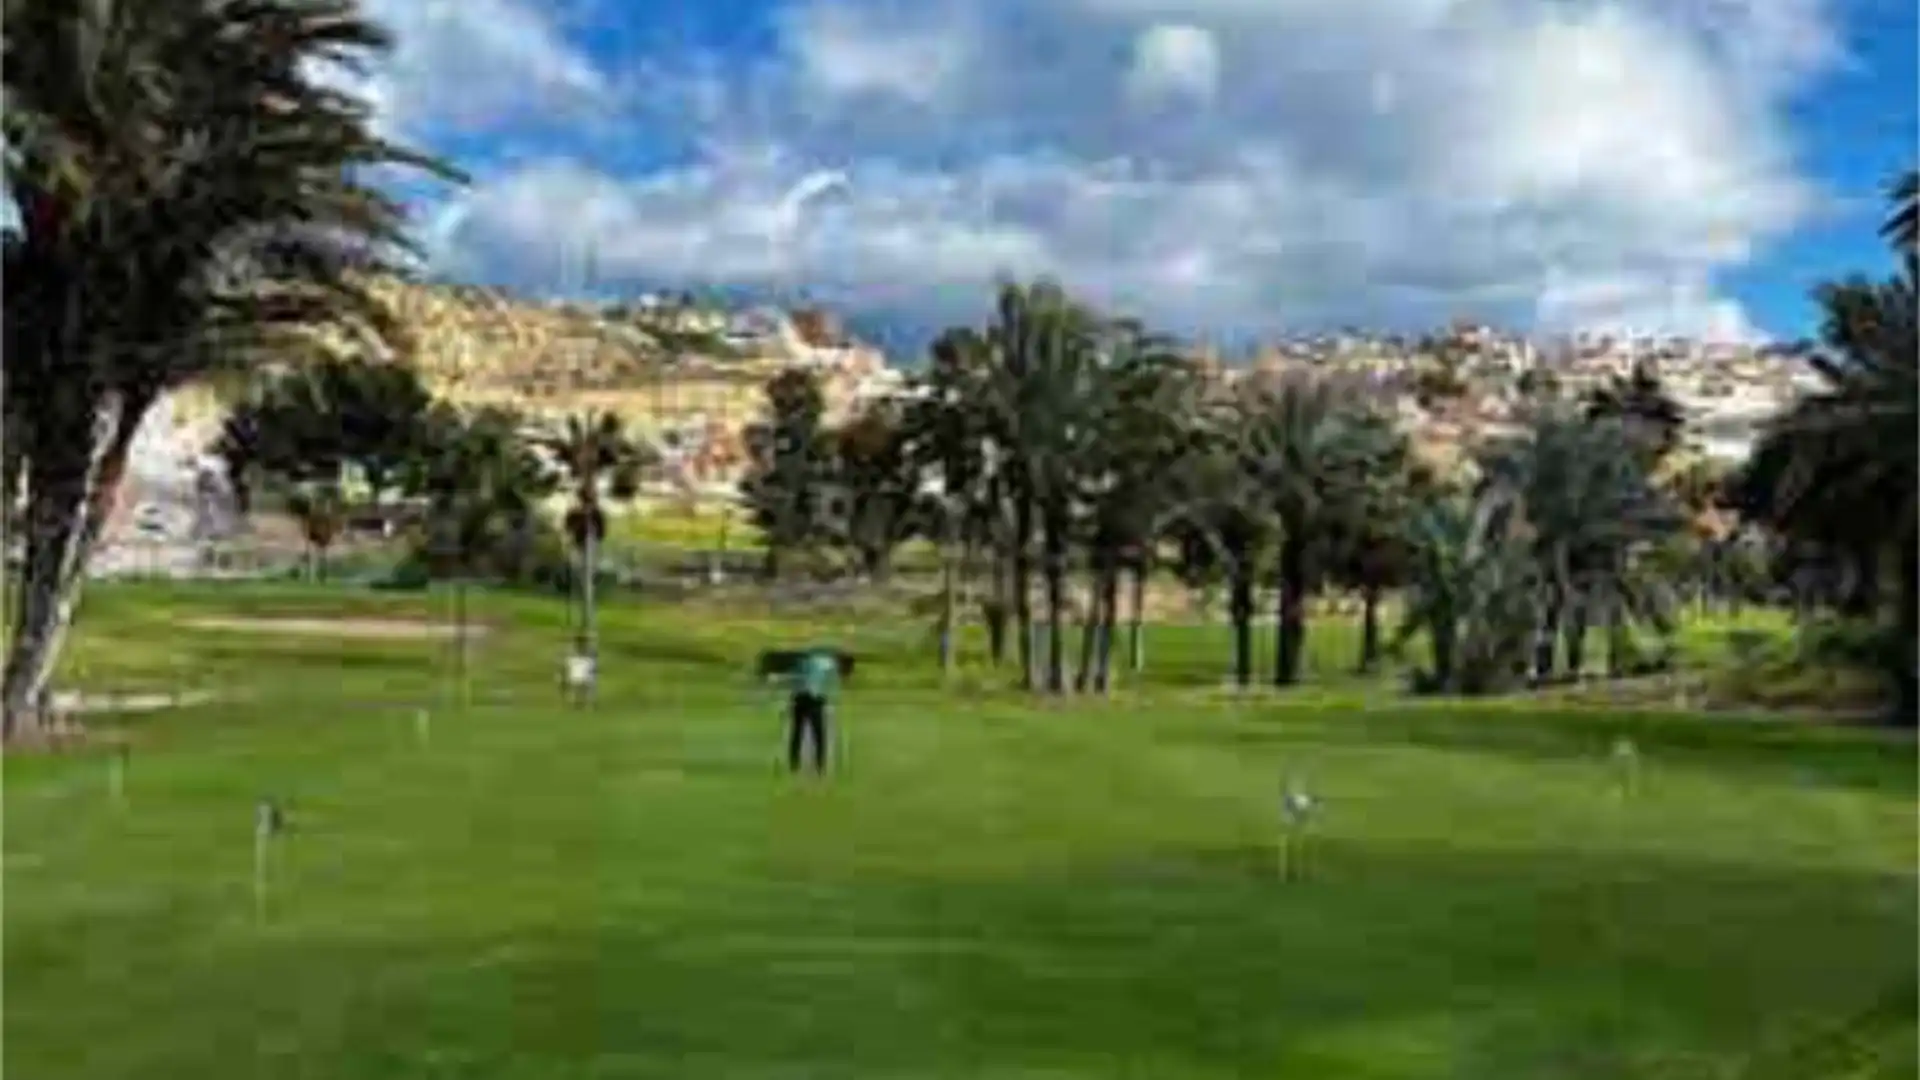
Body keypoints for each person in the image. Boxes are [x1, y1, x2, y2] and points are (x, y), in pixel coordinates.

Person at [785, 647, 839, 774]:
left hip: (806, 698)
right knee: (815, 733)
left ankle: (799, 763)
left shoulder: (802, 663)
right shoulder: (825, 663)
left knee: (800, 732)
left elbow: (795, 681)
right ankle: (817, 764)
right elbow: (830, 683)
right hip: (810, 698)